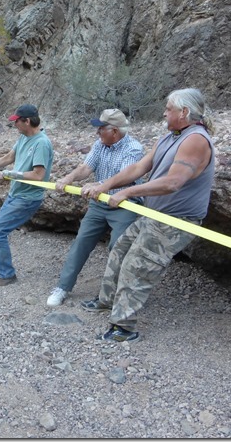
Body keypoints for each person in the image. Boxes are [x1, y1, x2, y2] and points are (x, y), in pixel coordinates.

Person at [81, 88, 216, 342]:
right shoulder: (171, 137)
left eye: (169, 108)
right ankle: (107, 301)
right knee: (120, 251)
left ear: (184, 112)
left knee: (138, 265)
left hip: (175, 220)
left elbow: (173, 183)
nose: (164, 113)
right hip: (154, 213)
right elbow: (139, 167)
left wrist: (128, 191)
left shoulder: (196, 140)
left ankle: (124, 327)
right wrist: (106, 185)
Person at [46, 109, 144, 307]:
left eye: (101, 129)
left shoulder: (133, 148)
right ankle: (63, 287)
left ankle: (117, 293)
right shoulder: (100, 144)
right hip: (100, 204)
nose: (97, 133)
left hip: (124, 204)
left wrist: (99, 185)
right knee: (81, 242)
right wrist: (68, 178)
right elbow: (86, 167)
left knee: (118, 246)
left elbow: (126, 176)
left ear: (114, 131)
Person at [0, 104, 54, 287]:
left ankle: (7, 274)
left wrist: (11, 175)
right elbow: (10, 157)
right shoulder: (24, 138)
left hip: (27, 198)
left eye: (17, 121)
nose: (14, 125)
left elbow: (39, 176)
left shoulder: (41, 143)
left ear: (27, 121)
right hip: (15, 195)